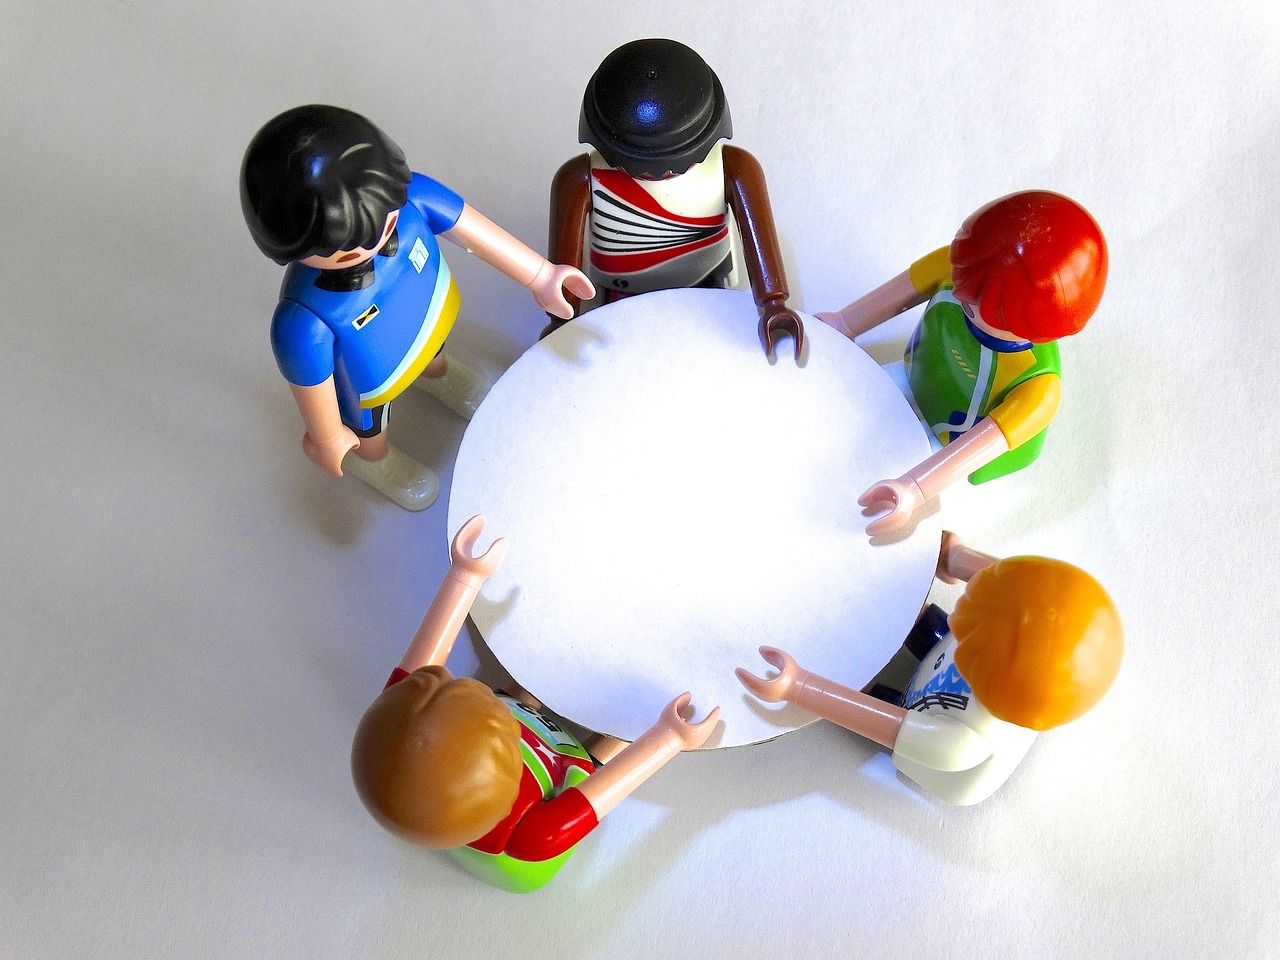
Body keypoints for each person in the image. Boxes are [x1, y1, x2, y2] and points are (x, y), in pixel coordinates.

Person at [241, 105, 594, 510]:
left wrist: (541, 275)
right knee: (370, 428)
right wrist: (328, 436)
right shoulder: (304, 321)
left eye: (384, 222)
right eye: (347, 248)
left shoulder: (416, 199)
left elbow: (470, 229)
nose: (373, 241)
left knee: (434, 351)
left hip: (427, 320)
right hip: (369, 379)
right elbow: (313, 383)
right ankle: (374, 459)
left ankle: (438, 374)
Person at [351, 516, 719, 892]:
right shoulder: (534, 837)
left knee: (529, 681)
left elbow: (422, 661)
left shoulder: (399, 715)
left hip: (512, 737)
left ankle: (526, 695)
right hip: (558, 776)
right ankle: (610, 738)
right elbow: (600, 794)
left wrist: (465, 574)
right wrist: (670, 738)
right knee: (611, 746)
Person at [736, 533, 1122, 805]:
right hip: (944, 663)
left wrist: (799, 686)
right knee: (923, 623)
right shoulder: (1015, 610)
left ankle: (857, 681)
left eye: (973, 623)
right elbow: (1001, 578)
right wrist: (953, 555)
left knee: (863, 694)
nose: (962, 607)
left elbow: (882, 722)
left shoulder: (963, 745)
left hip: (917, 718)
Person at [818, 191, 1107, 535]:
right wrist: (841, 324)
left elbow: (979, 444)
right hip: (912, 375)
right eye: (960, 280)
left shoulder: (1038, 387)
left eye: (972, 305)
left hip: (949, 441)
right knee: (841, 404)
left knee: (860, 471)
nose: (958, 293)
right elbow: (901, 292)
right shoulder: (964, 269)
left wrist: (913, 488)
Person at [545, 39, 803, 360]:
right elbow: (562, 270)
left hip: (706, 285)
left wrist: (773, 303)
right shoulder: (581, 179)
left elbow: (758, 239)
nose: (659, 174)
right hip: (619, 294)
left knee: (712, 356)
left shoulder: (733, 168)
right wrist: (560, 320)